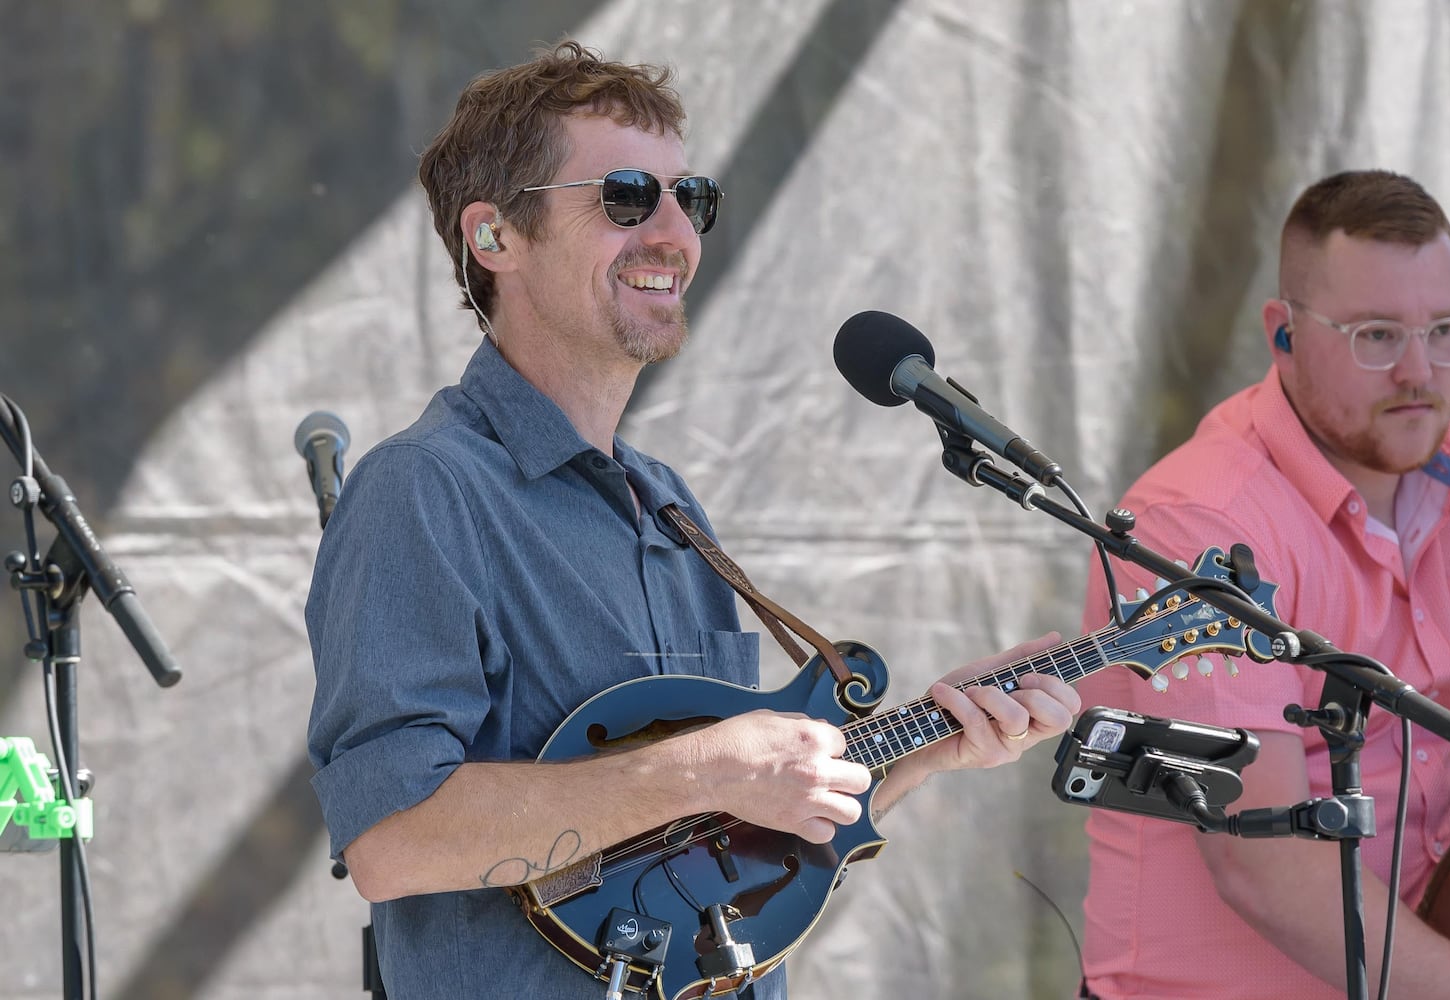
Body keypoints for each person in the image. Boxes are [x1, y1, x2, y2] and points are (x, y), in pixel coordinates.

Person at [305, 40, 1080, 999]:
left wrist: (926, 746)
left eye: (692, 198)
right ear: (495, 237)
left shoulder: (667, 502)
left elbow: (718, 831)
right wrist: (705, 767)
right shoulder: (421, 491)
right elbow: (393, 837)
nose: (675, 233)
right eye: (627, 196)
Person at [1075, 169, 1450, 999]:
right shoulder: (1194, 523)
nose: (1420, 372)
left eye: (1447, 330)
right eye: (1377, 336)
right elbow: (1264, 868)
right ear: (1285, 332)